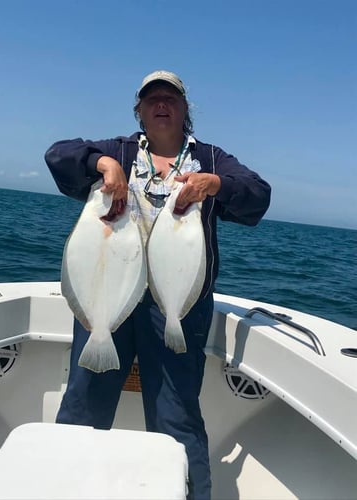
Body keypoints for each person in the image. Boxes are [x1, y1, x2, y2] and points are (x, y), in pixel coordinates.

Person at [45, 70, 271, 500]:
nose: (161, 104)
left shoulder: (210, 158)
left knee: (177, 417)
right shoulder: (119, 150)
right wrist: (102, 164)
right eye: (152, 99)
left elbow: (258, 196)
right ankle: (63, 488)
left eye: (171, 98)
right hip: (108, 299)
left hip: (177, 310)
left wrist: (216, 184)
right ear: (140, 110)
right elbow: (58, 155)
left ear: (186, 111)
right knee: (83, 406)